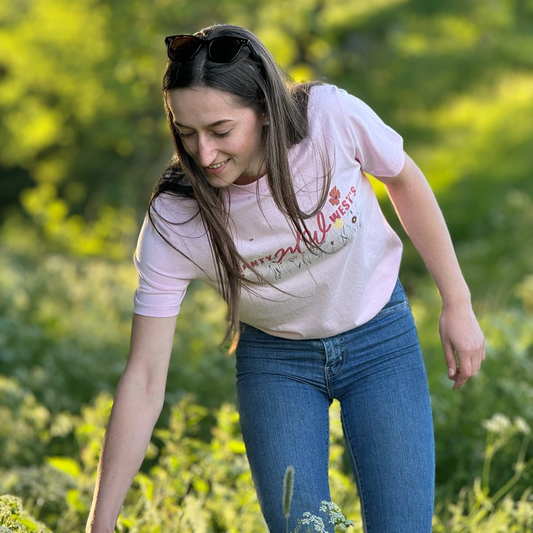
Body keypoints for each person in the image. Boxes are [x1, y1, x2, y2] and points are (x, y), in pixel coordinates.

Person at [86, 24, 485, 533]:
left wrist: (458, 301)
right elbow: (143, 379)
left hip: (380, 339)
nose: (203, 154)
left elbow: (403, 178)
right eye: (186, 134)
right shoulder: (175, 218)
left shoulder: (330, 120)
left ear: (267, 111)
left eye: (221, 131)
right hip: (277, 362)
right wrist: (99, 525)